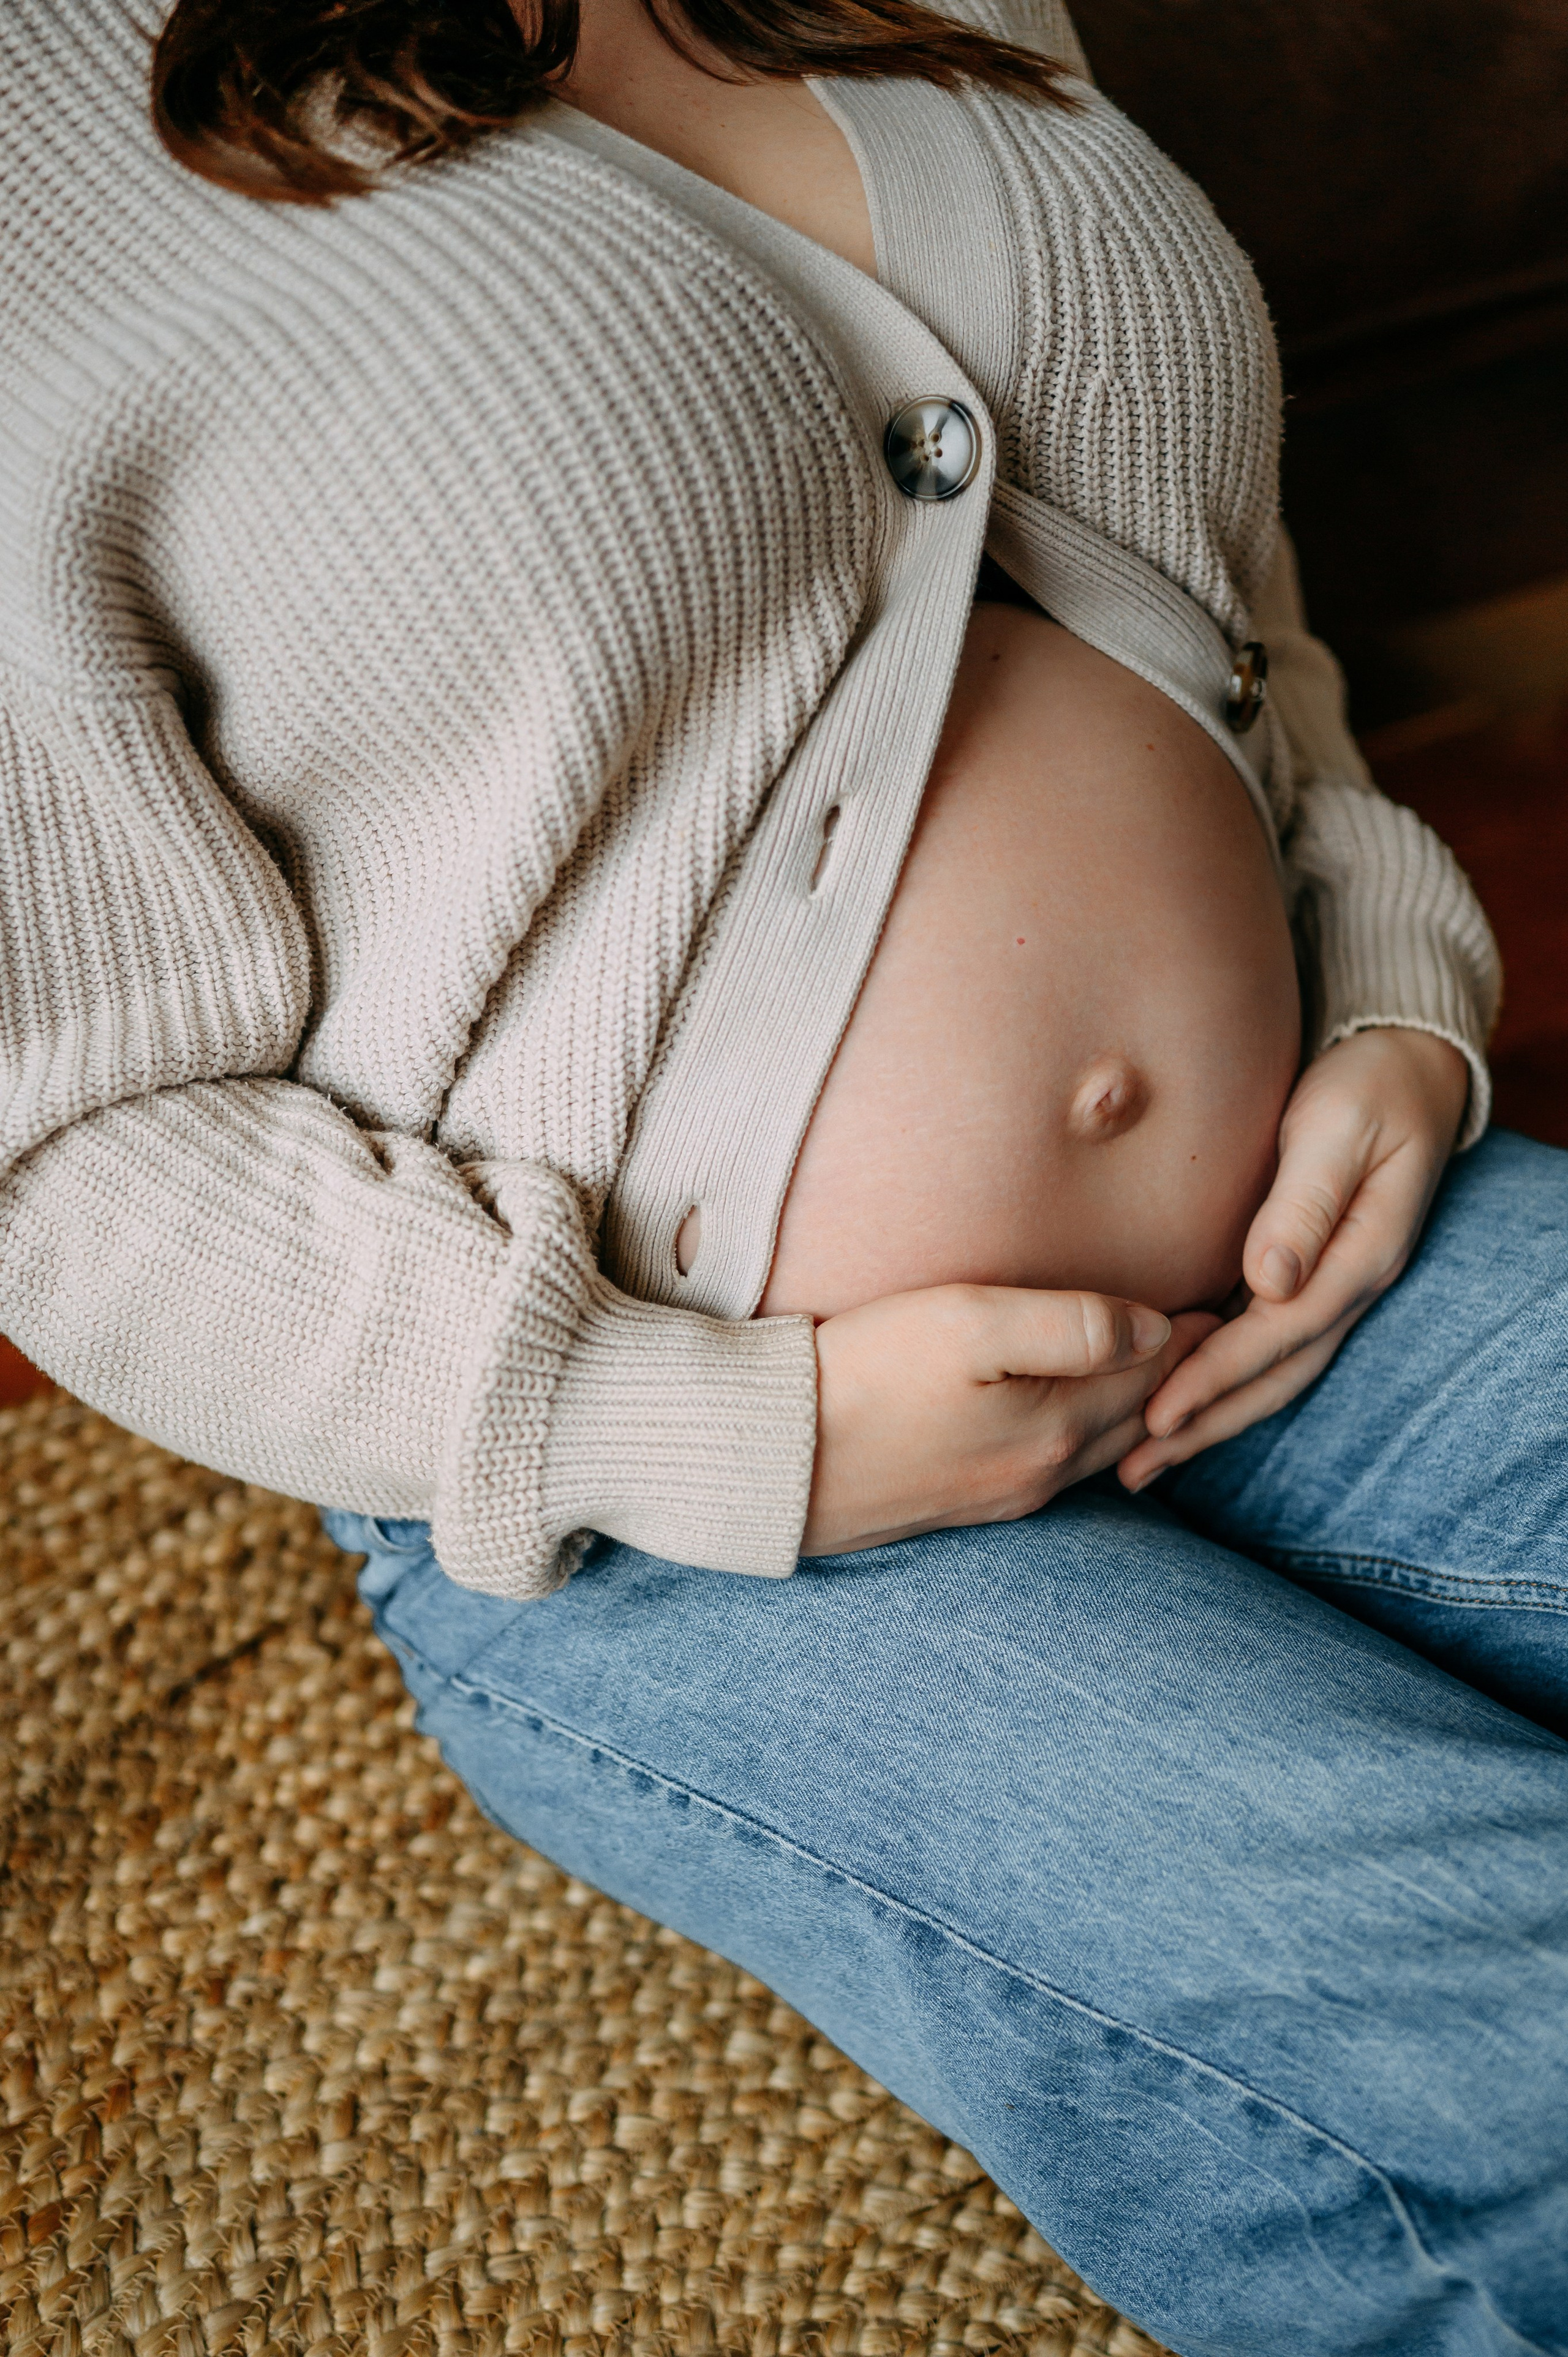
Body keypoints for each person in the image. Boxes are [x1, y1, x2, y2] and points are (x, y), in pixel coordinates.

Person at [1, 1, 1564, 2347]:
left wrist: (1394, 989)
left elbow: (1213, 594)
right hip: (672, 1512)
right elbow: (74, 1156)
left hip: (1306, 1274)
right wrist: (746, 1430)